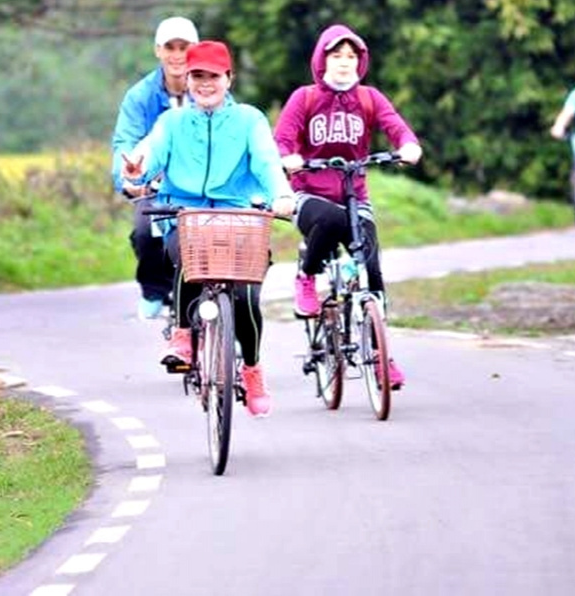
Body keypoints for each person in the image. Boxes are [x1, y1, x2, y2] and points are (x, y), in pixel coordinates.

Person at [122, 40, 294, 418]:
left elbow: (267, 162)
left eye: (213, 76)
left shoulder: (250, 120)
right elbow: (148, 156)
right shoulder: (173, 122)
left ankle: (251, 371)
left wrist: (281, 194)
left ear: (228, 79)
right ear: (187, 81)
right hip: (185, 215)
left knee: (246, 298)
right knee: (186, 249)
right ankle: (183, 336)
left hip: (240, 220)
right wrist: (135, 172)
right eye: (197, 76)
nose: (204, 84)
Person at [273, 23, 422, 390]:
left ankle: (381, 351)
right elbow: (281, 140)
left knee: (371, 264)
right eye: (336, 55)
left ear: (361, 61)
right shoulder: (304, 97)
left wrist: (408, 147)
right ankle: (306, 277)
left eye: (351, 56)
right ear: (322, 59)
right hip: (309, 193)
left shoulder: (370, 98)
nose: (343, 63)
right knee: (327, 219)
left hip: (355, 194)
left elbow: (396, 128)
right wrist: (287, 158)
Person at [111, 16, 200, 321]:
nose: (177, 55)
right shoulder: (139, 96)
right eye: (170, 47)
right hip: (156, 185)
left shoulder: (212, 88)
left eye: (184, 47)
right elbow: (125, 142)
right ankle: (154, 290)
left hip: (205, 185)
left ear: (195, 49)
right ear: (157, 51)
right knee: (145, 233)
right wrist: (128, 179)